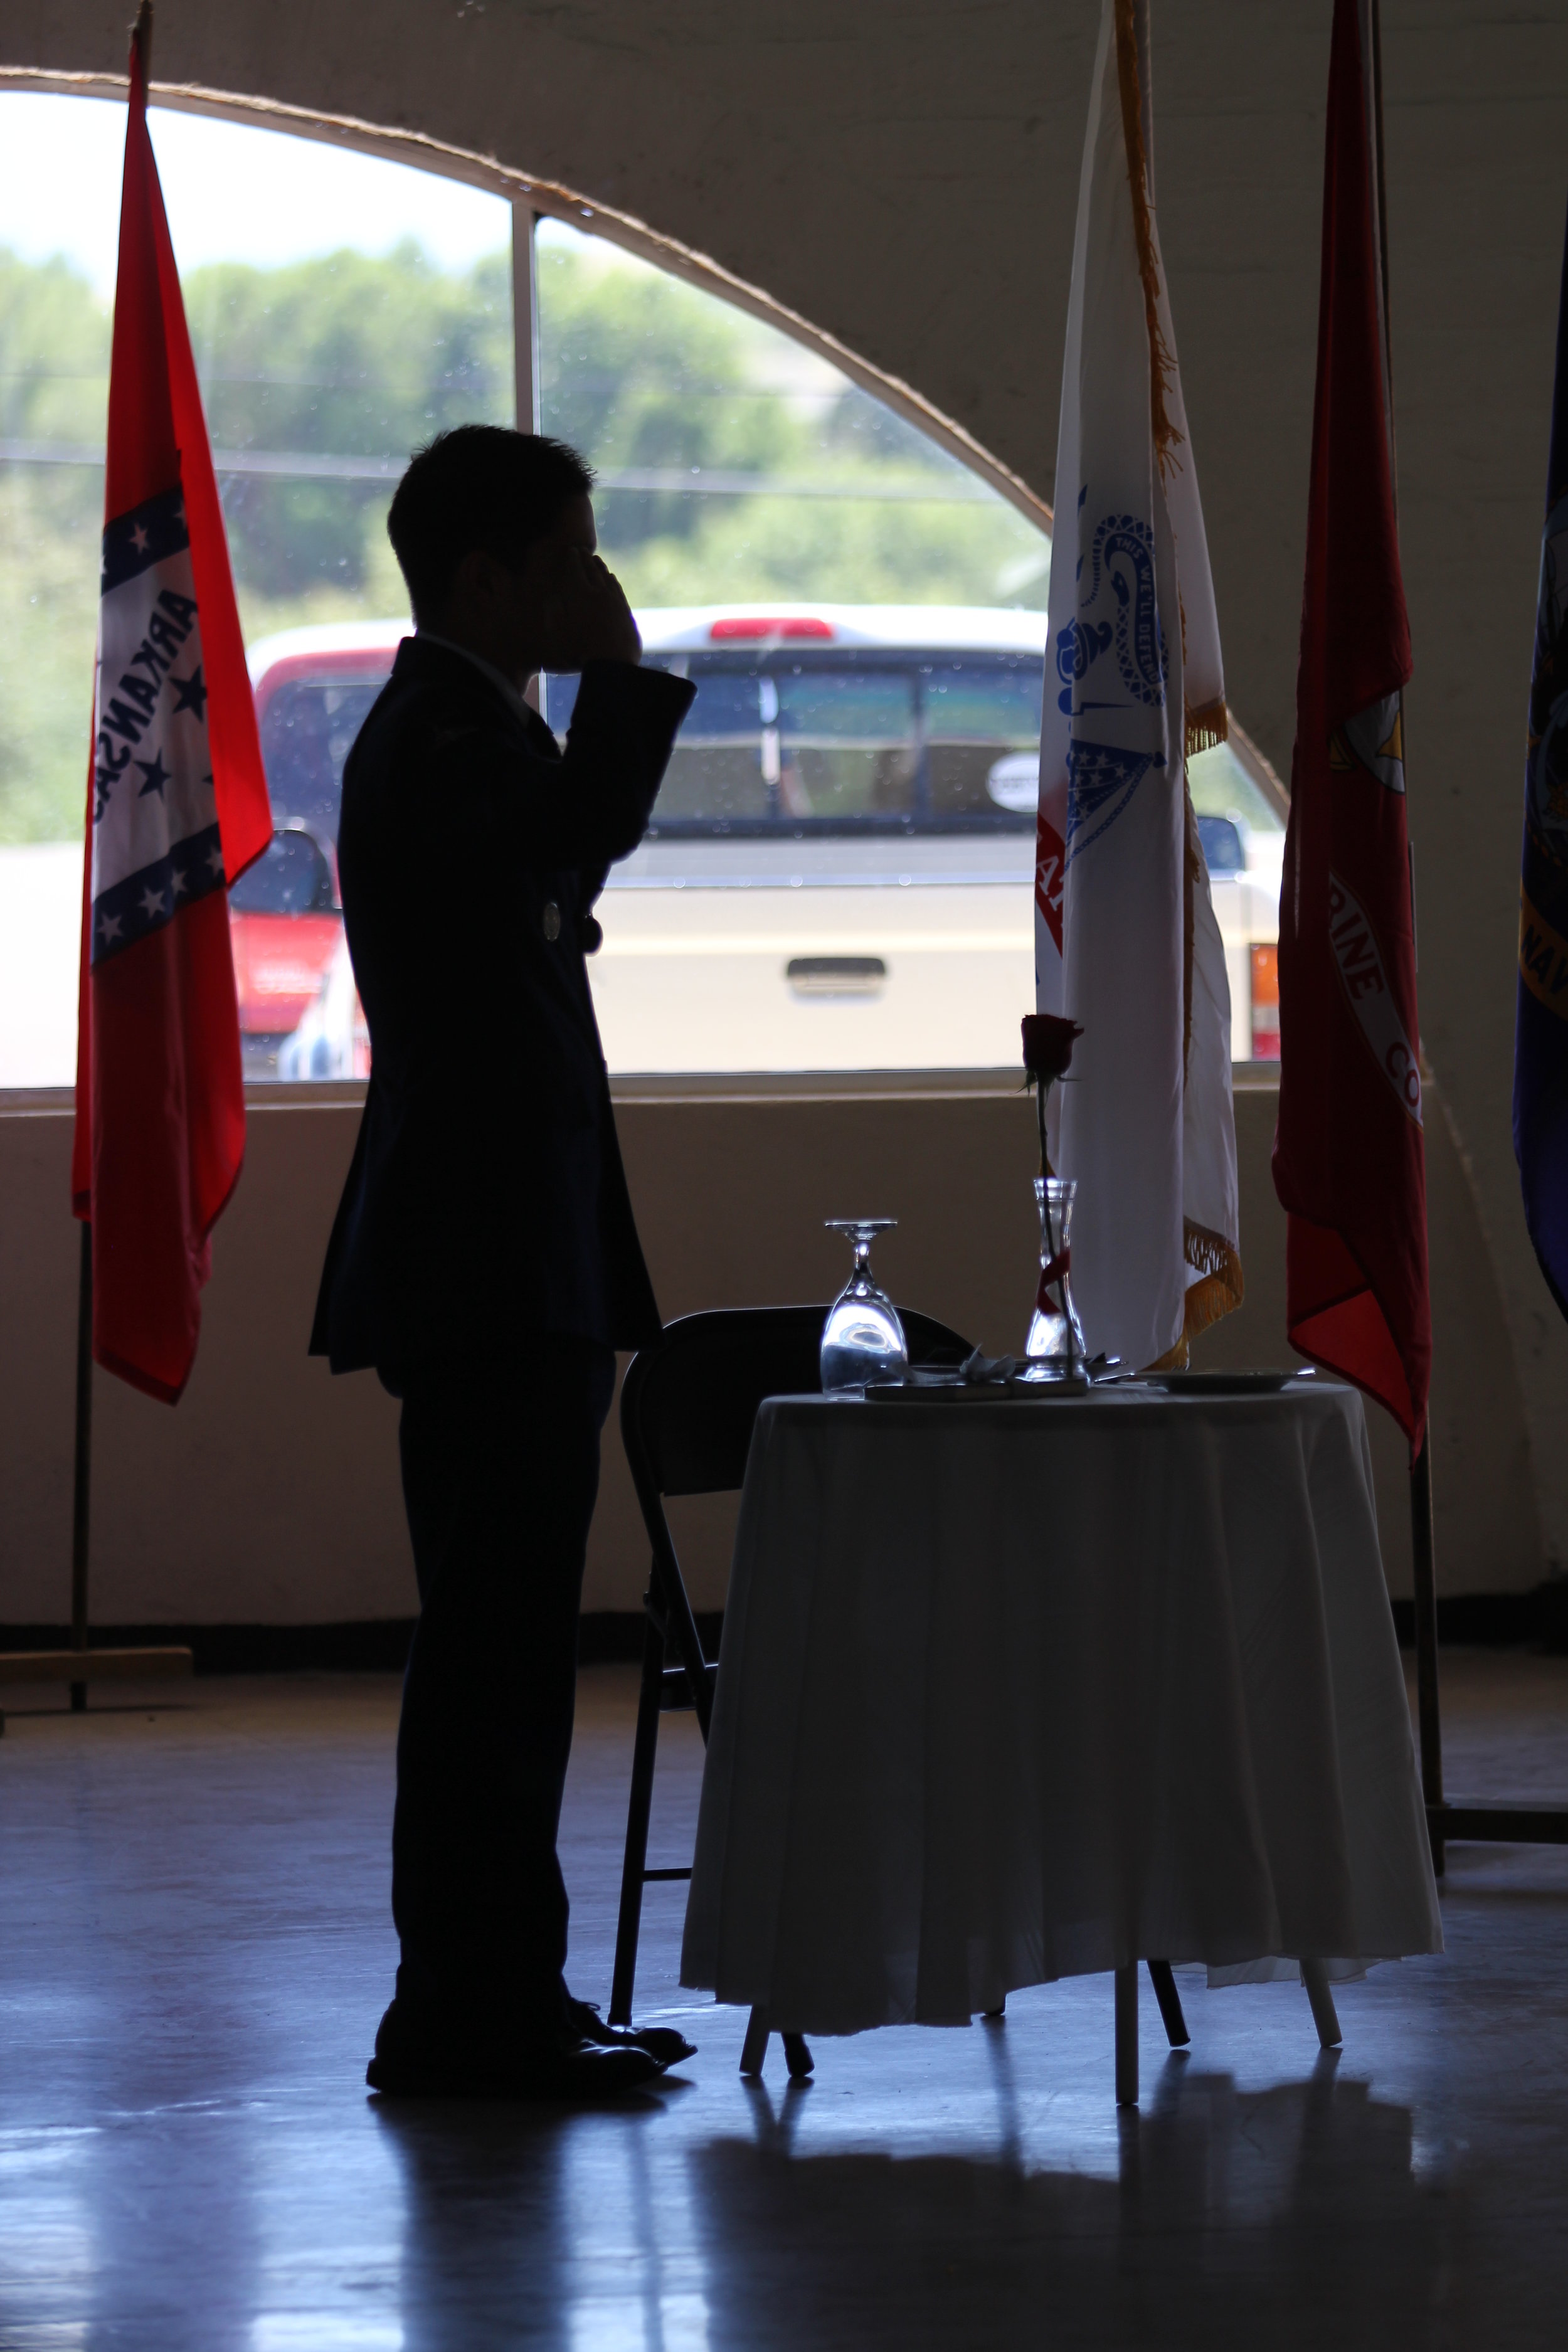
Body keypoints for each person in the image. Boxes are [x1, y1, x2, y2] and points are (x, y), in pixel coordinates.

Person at [309, 426, 697, 2099]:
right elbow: (575, 827)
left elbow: (568, 845)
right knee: (490, 1650)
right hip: (478, 1257)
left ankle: (501, 1999)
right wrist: (620, 676)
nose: (595, 589)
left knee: (515, 1644)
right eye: (571, 561)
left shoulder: (469, 733)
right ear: (487, 576)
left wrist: (591, 703)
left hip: (511, 1249)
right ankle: (462, 2013)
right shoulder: (439, 736)